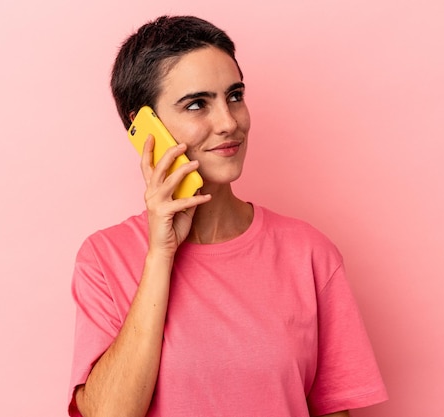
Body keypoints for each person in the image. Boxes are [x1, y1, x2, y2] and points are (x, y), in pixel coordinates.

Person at [68, 15, 388, 417]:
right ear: (145, 127)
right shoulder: (103, 259)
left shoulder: (309, 253)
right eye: (197, 104)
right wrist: (160, 255)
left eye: (234, 95)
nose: (229, 122)